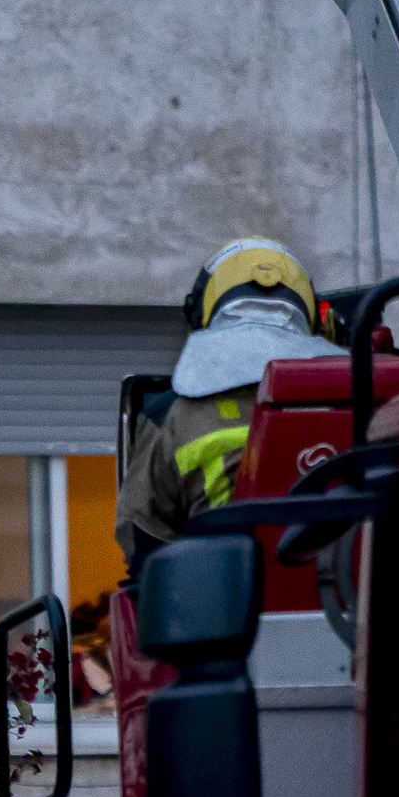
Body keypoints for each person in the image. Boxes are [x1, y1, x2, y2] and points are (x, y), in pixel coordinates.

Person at [115, 238, 345, 574]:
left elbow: (141, 538)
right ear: (312, 318)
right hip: (348, 607)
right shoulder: (361, 400)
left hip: (217, 614)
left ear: (202, 314)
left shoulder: (170, 414)